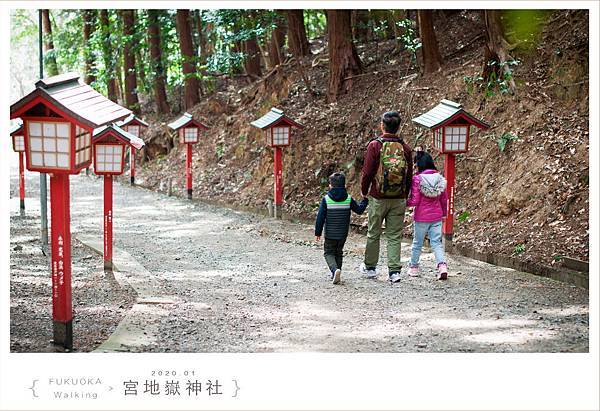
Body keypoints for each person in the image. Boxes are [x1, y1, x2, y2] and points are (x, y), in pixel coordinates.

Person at [360, 111, 413, 283]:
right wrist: (405, 194)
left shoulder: (375, 145)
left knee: (373, 233)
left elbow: (367, 172)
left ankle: (370, 268)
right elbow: (409, 174)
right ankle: (394, 272)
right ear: (399, 127)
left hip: (378, 197)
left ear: (382, 126)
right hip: (398, 198)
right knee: (394, 235)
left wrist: (364, 190)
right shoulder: (405, 148)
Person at [315, 172, 368, 284]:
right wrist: (365, 200)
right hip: (343, 234)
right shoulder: (348, 199)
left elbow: (320, 217)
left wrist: (317, 232)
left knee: (328, 253)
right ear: (344, 186)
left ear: (330, 185)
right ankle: (337, 273)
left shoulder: (326, 200)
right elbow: (359, 210)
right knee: (338, 252)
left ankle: (335, 271)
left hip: (330, 234)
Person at [406, 151, 449, 280]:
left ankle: (414, 268)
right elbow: (444, 199)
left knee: (417, 243)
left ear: (419, 165)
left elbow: (415, 200)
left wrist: (405, 202)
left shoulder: (417, 179)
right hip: (436, 216)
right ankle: (442, 266)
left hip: (421, 217)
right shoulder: (440, 179)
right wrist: (444, 214)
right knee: (436, 243)